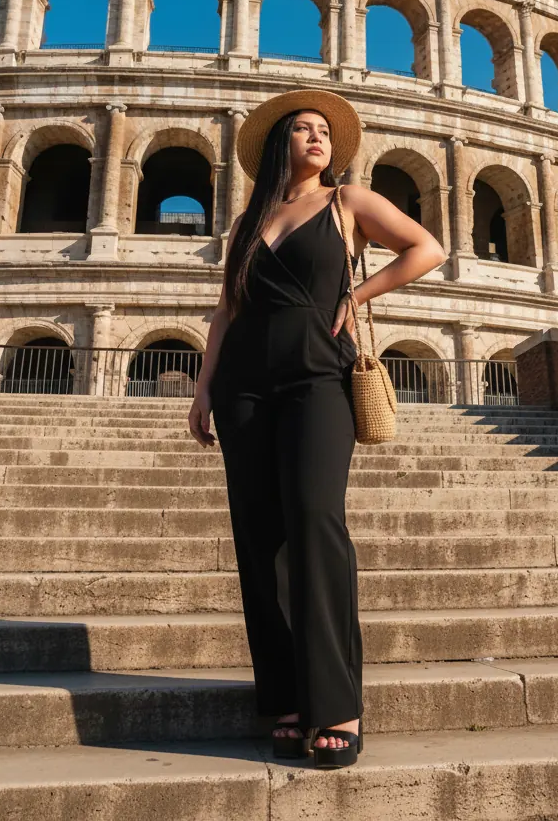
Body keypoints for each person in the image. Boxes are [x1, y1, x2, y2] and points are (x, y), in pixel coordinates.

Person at [188, 88, 447, 768]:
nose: (315, 138)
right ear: (280, 145)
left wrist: (357, 294)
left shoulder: (347, 203)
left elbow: (427, 248)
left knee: (314, 520)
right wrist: (203, 388)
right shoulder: (249, 221)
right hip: (243, 384)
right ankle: (289, 696)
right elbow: (224, 310)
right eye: (302, 130)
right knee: (259, 536)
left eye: (323, 132)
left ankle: (338, 702)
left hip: (316, 378)